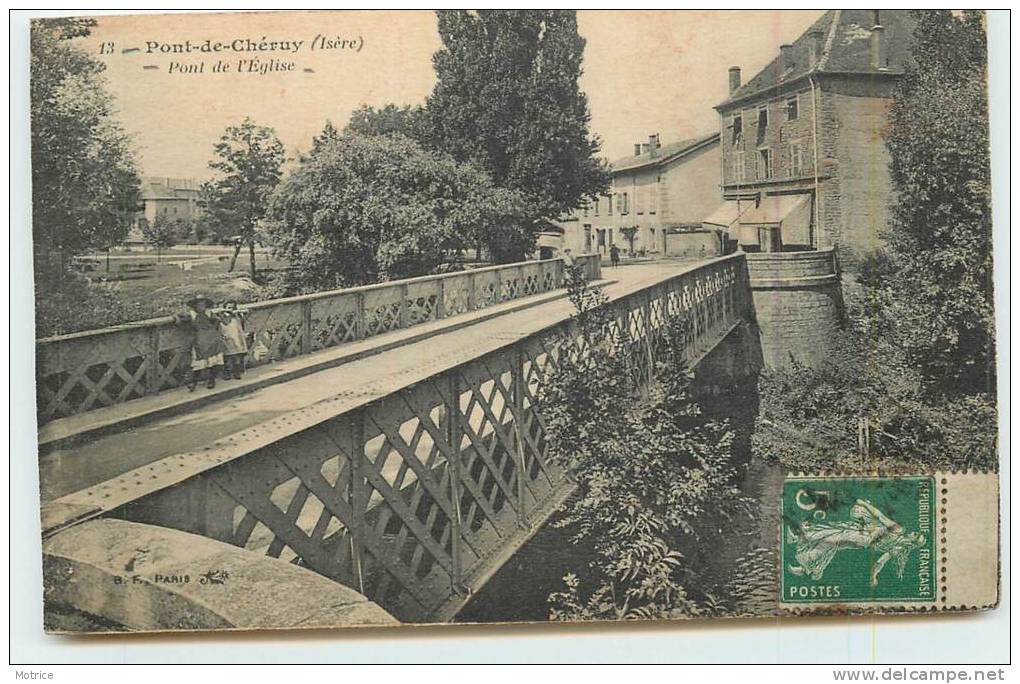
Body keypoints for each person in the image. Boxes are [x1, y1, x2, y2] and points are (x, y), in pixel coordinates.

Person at [786, 498, 925, 587]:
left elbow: (879, 516)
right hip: (863, 535)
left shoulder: (898, 531)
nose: (914, 533)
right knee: (833, 535)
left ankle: (802, 544)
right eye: (917, 533)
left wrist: (864, 504)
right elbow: (880, 562)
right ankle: (808, 568)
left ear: (913, 542)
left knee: (833, 537)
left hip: (864, 537)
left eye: (916, 536)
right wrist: (873, 576)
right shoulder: (898, 547)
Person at [176, 294, 225, 391]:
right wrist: (177, 319)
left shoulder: (209, 313)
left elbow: (218, 320)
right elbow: (180, 320)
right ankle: (193, 383)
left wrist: (214, 330)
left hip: (212, 339)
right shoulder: (191, 315)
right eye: (199, 305)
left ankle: (212, 380)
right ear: (195, 306)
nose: (201, 307)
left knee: (213, 361)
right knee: (199, 362)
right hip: (200, 340)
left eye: (203, 305)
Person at [218, 301, 249, 380]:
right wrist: (223, 311)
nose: (230, 310)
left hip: (236, 338)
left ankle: (236, 371)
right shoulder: (222, 317)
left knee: (237, 357)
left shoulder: (237, 316)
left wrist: (236, 311)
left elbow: (246, 311)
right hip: (227, 338)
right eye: (229, 307)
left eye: (233, 308)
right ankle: (227, 372)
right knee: (227, 357)